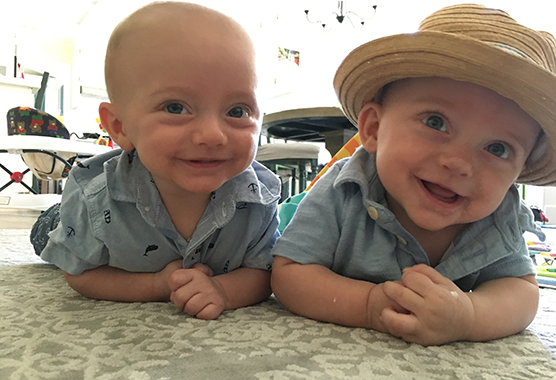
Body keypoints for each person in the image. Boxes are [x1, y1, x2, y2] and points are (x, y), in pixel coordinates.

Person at [271, 3, 556, 346]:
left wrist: (469, 315)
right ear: (373, 129)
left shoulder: (499, 215)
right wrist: (367, 306)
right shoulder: (345, 189)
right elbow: (288, 273)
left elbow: (522, 291)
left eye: (497, 148)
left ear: (519, 171)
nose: (459, 163)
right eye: (436, 122)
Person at [30, 1, 281, 320]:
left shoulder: (259, 198)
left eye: (237, 111)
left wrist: (222, 290)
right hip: (71, 218)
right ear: (119, 127)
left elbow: (264, 272)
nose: (212, 135)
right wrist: (157, 285)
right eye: (176, 107)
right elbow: (80, 274)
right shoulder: (95, 199)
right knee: (47, 239)